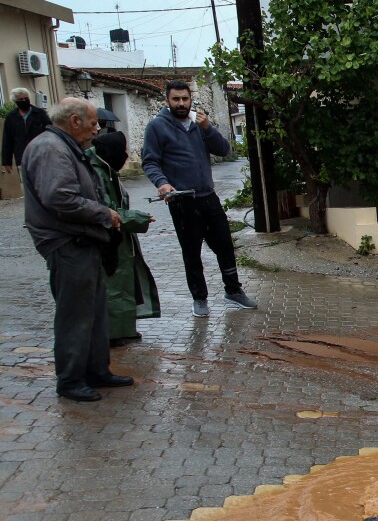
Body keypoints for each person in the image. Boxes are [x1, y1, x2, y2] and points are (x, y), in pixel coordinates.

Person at [22, 98, 133, 402]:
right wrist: (103, 214)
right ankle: (70, 380)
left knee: (95, 312)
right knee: (75, 316)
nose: (97, 129)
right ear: (74, 121)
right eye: (93, 123)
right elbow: (60, 198)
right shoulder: (50, 149)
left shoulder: (65, 147)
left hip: (83, 242)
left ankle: (97, 371)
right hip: (68, 243)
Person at [141, 80, 257, 318]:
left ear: (190, 99)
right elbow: (150, 161)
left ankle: (233, 291)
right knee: (191, 253)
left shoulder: (199, 123)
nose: (181, 103)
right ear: (167, 101)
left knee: (225, 246)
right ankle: (199, 298)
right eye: (176, 99)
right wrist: (162, 184)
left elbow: (224, 150)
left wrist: (208, 128)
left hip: (209, 197)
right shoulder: (157, 127)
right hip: (182, 201)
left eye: (185, 98)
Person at [87, 131, 160, 347]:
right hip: (108, 239)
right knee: (113, 284)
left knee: (124, 282)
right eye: (123, 151)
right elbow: (107, 210)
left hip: (118, 239)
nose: (126, 156)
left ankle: (122, 330)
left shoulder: (107, 170)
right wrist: (138, 218)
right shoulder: (98, 173)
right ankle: (113, 333)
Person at [2, 87, 52, 180]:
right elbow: (7, 140)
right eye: (21, 99)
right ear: (15, 101)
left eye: (26, 98)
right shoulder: (11, 118)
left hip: (41, 156)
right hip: (22, 157)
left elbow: (51, 132)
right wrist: (6, 161)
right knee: (27, 186)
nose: (24, 101)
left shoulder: (40, 114)